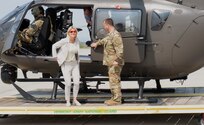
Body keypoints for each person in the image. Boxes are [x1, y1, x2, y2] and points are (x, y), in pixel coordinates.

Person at [91, 18, 124, 106]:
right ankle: (114, 98)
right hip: (111, 62)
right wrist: (96, 44)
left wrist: (117, 61)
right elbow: (104, 40)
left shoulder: (116, 35)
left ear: (107, 25)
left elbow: (120, 50)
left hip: (115, 62)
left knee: (115, 81)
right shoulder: (110, 35)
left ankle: (117, 100)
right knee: (112, 80)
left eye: (104, 25)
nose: (103, 27)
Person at [52, 26, 81, 107]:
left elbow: (77, 52)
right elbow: (54, 46)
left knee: (76, 82)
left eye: (74, 31)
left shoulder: (77, 41)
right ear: (68, 33)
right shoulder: (64, 41)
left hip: (75, 64)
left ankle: (75, 99)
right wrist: (55, 56)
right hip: (66, 64)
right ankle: (67, 100)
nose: (73, 33)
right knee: (68, 84)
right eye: (71, 31)